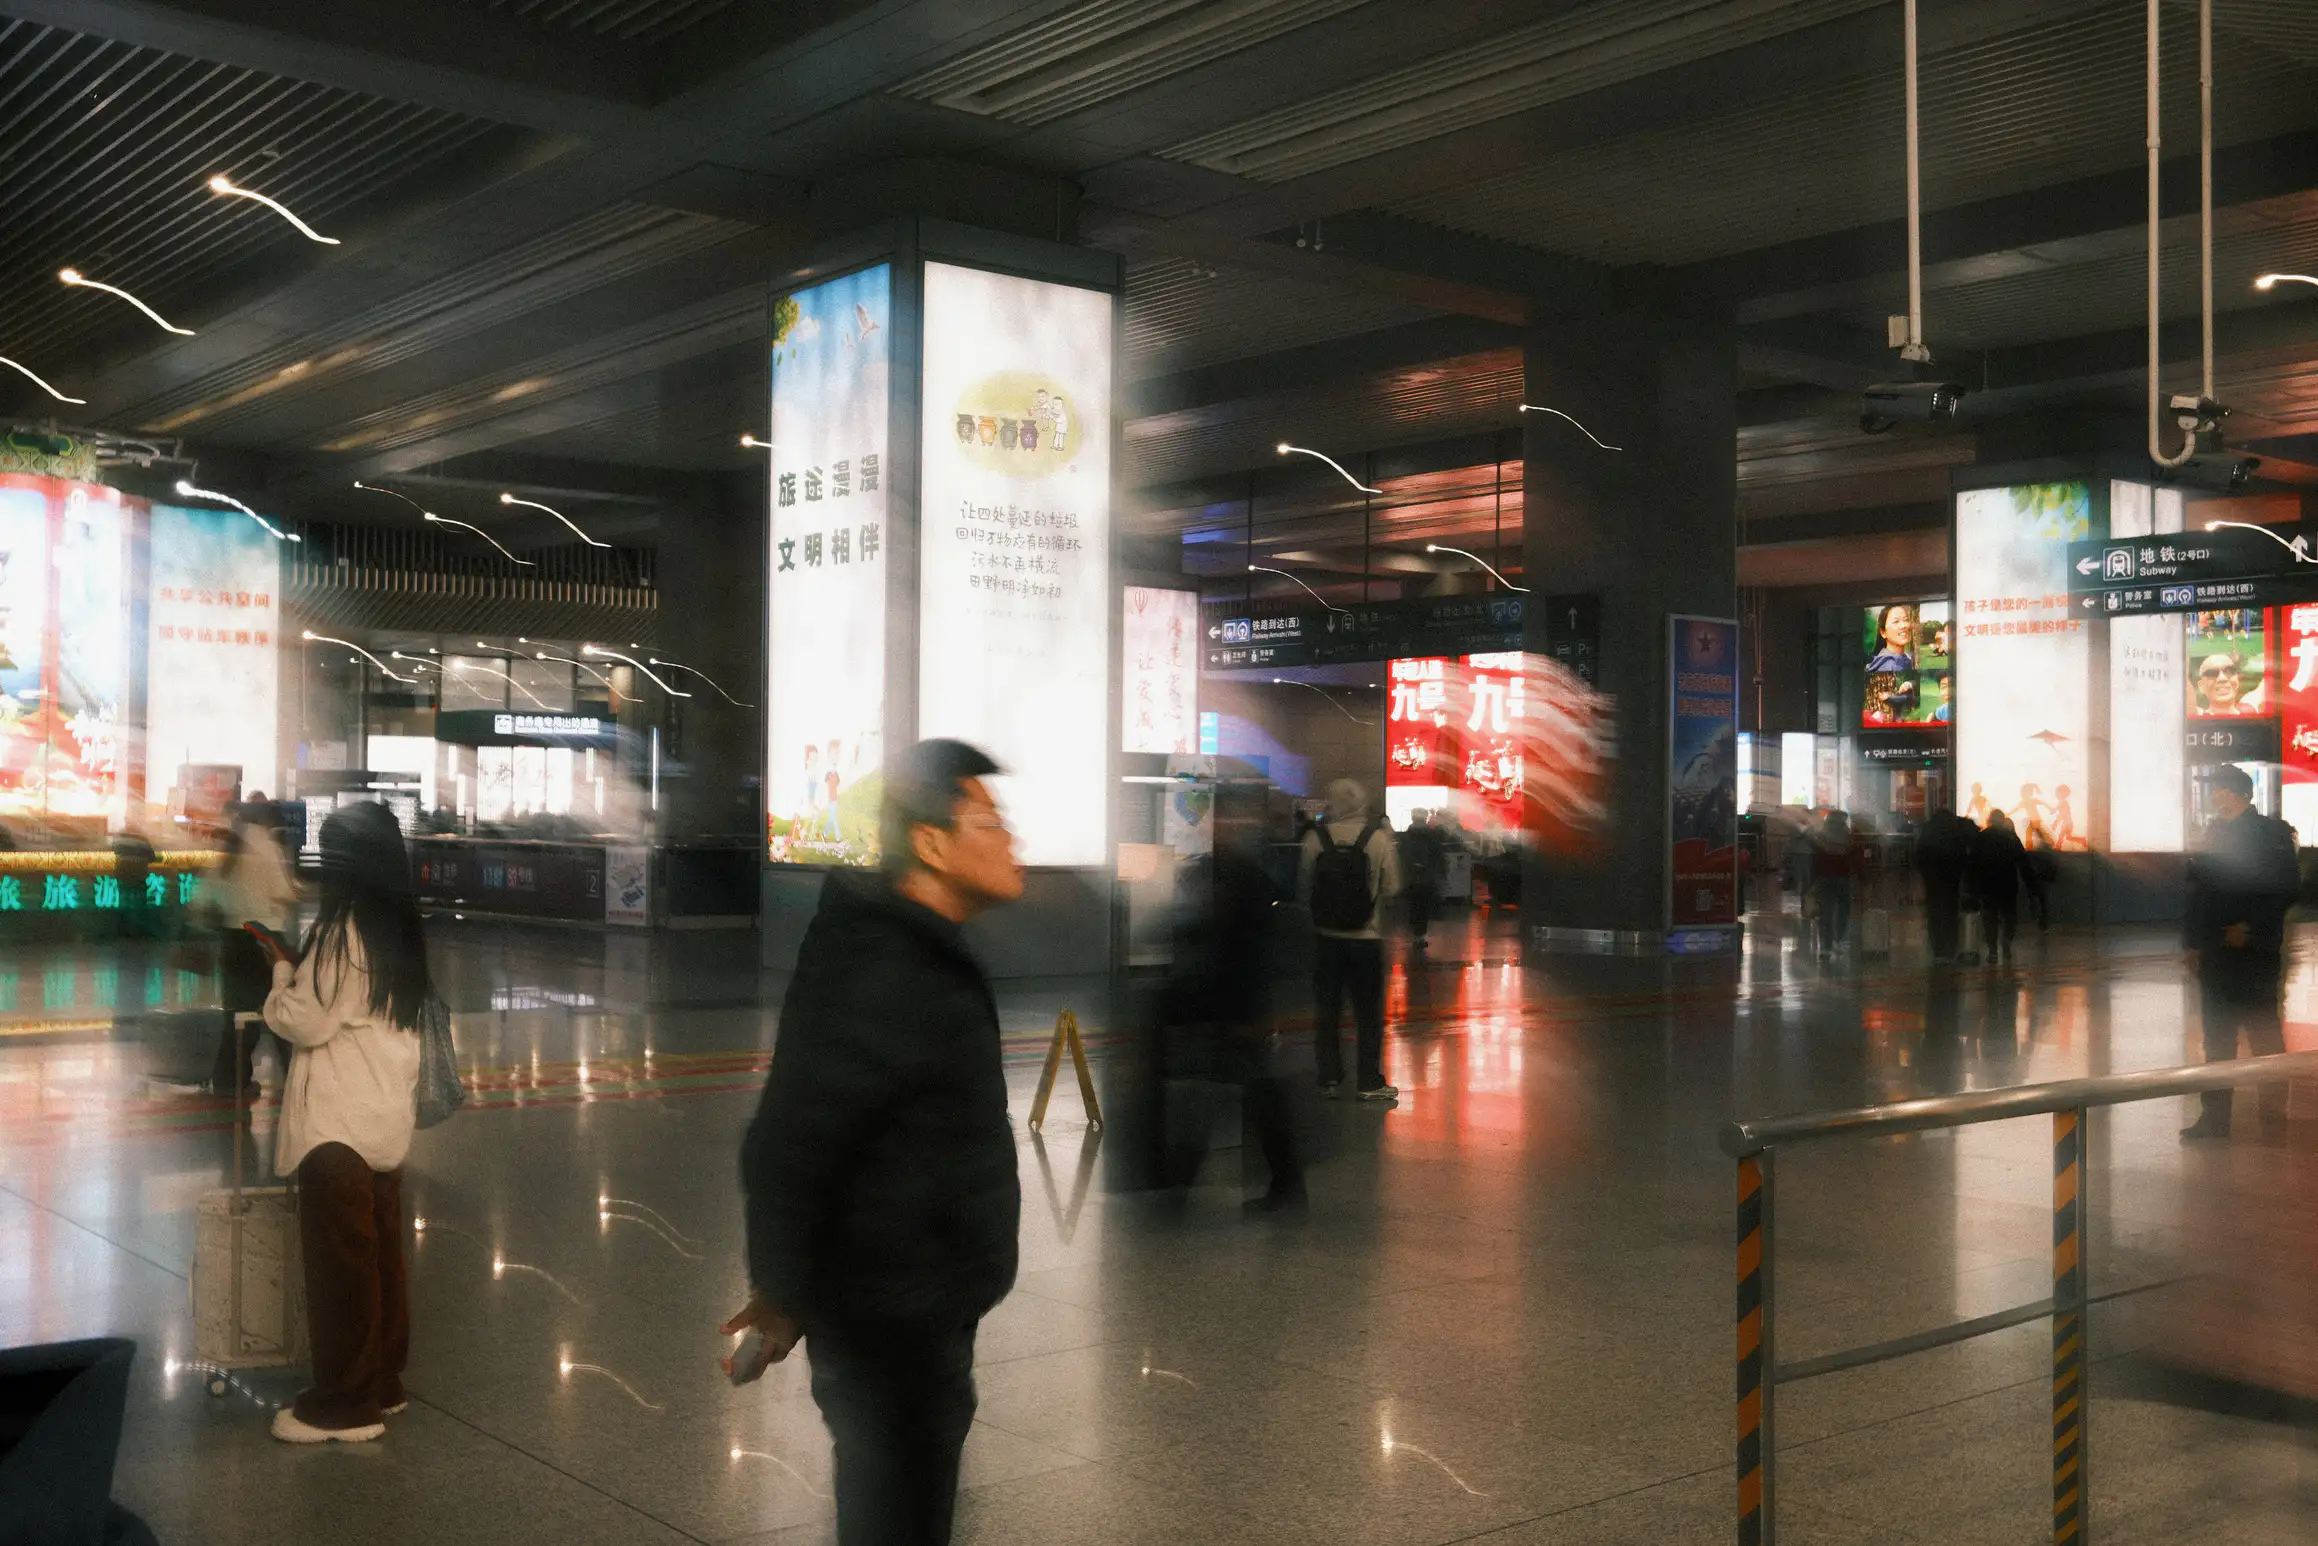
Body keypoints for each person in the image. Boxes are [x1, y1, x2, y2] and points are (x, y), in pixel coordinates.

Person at [726, 740, 1024, 1546]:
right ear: (930, 843)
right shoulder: (884, 965)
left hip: (923, 1310)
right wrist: (783, 1291)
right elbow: (788, 1140)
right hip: (890, 1321)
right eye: (989, 821)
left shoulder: (919, 950)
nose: (1011, 839)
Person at [263, 802, 429, 1444]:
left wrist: (280, 973)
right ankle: (383, 1382)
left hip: (336, 1126)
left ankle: (343, 1404)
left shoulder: (342, 932)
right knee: (382, 1258)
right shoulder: (401, 932)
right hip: (385, 1119)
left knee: (342, 1271)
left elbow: (305, 1020)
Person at [1161, 786, 1302, 1211]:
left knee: (1222, 1097)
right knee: (1245, 1095)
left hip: (1234, 1006)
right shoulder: (1224, 872)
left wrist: (1255, 1012)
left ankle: (1181, 1189)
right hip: (1221, 1003)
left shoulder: (1238, 876)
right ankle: (1285, 1184)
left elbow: (1250, 947)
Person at [2181, 763, 2300, 1141]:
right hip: (2215, 954)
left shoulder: (2270, 833)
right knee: (2216, 1037)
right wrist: (2193, 943)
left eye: (2221, 789)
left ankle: (2272, 1113)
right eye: (2213, 789)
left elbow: (2285, 888)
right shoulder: (2212, 834)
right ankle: (2214, 1119)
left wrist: (2250, 927)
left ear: (2241, 794)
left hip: (2254, 955)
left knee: (2263, 1034)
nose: (2215, 795)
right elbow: (2197, 893)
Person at [1299, 778, 1400, 1103]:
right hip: (1365, 939)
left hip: (1326, 939)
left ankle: (1328, 1078)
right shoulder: (1378, 839)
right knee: (1368, 1013)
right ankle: (1369, 1081)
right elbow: (1392, 888)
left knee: (1327, 1010)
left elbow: (1303, 889)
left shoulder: (1315, 838)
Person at [204, 811, 301, 1097]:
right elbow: (285, 892)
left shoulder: (230, 849)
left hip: (233, 942)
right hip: (265, 940)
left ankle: (230, 1082)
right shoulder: (268, 847)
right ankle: (295, 1082)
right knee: (282, 1010)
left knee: (236, 1016)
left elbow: (206, 897)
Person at [1968, 808, 2035, 966]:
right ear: (2003, 820)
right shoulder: (2011, 838)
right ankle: (2006, 942)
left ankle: (1992, 950)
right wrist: (2031, 884)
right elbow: (2023, 862)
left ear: (1990, 820)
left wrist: (1972, 886)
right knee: (2009, 915)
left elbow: (1973, 862)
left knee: (1989, 916)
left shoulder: (1982, 837)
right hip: (2008, 882)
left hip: (1988, 883)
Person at [1913, 807, 1975, 963]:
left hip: (1932, 879)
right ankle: (1949, 950)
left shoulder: (1928, 833)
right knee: (1950, 914)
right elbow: (1962, 856)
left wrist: (1923, 874)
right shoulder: (1954, 832)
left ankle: (1938, 950)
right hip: (1951, 880)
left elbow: (1919, 856)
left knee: (1934, 913)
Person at [1398, 810, 1446, 949]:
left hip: (1411, 878)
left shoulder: (1406, 835)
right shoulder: (1432, 835)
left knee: (1413, 906)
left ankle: (1415, 934)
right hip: (1427, 878)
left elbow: (1402, 855)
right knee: (1424, 907)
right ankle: (1420, 935)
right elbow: (1438, 856)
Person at [1810, 810, 1854, 960]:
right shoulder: (1847, 836)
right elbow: (1853, 858)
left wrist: (1812, 881)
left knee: (1826, 914)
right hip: (1843, 878)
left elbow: (1815, 860)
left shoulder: (1821, 836)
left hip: (1824, 879)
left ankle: (1825, 947)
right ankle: (1837, 939)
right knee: (1843, 911)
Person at [1865, 604, 1918, 673]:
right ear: (1883, 633)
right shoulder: (1889, 665)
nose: (1903, 625)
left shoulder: (1904, 657)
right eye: (1896, 621)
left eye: (1906, 620)